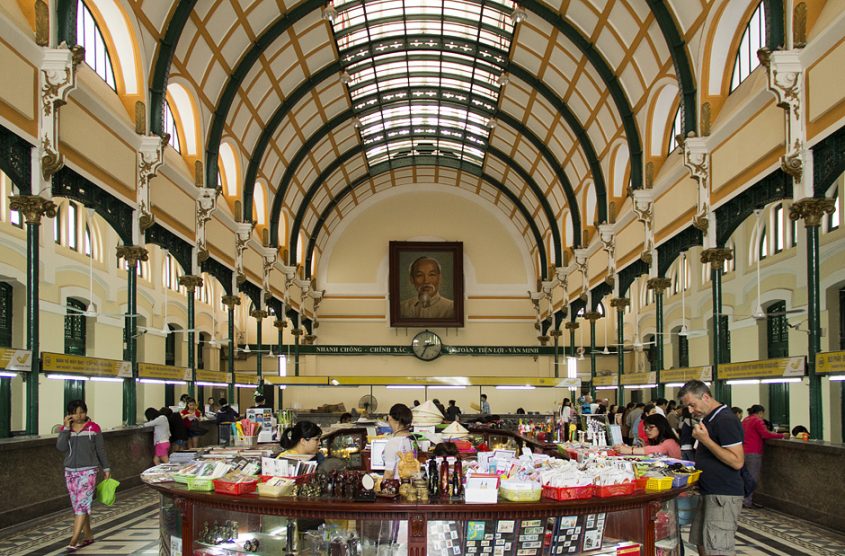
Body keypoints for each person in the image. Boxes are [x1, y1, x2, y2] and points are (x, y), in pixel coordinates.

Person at [679, 380, 745, 556]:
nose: (690, 411)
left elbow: (737, 461)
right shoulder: (709, 419)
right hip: (708, 492)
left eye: (692, 405)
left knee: (717, 548)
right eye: (687, 407)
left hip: (722, 495)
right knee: (703, 543)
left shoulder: (725, 420)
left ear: (706, 397)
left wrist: (705, 440)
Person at [56, 400, 110, 551]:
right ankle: (88, 536)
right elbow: (61, 447)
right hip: (70, 472)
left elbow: (100, 449)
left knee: (82, 504)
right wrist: (66, 429)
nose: (79, 415)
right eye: (75, 413)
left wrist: (106, 468)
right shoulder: (66, 429)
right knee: (78, 506)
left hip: (89, 470)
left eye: (82, 412)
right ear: (69, 414)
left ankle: (73, 540)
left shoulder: (94, 428)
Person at [742, 404, 788, 508]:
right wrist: (782, 435)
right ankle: (747, 501)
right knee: (752, 477)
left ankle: (743, 500)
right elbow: (765, 434)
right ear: (760, 412)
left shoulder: (745, 420)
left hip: (744, 450)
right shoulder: (757, 420)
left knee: (745, 477)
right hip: (754, 451)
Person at [615, 414, 681, 459]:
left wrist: (629, 450)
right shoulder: (657, 440)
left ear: (661, 427)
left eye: (651, 427)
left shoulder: (669, 442)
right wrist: (628, 447)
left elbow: (656, 450)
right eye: (646, 428)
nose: (647, 430)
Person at [383, 404, 415, 480]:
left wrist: (380, 485)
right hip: (409, 483)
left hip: (397, 484)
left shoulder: (393, 443)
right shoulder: (413, 439)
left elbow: (389, 474)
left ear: (389, 418)